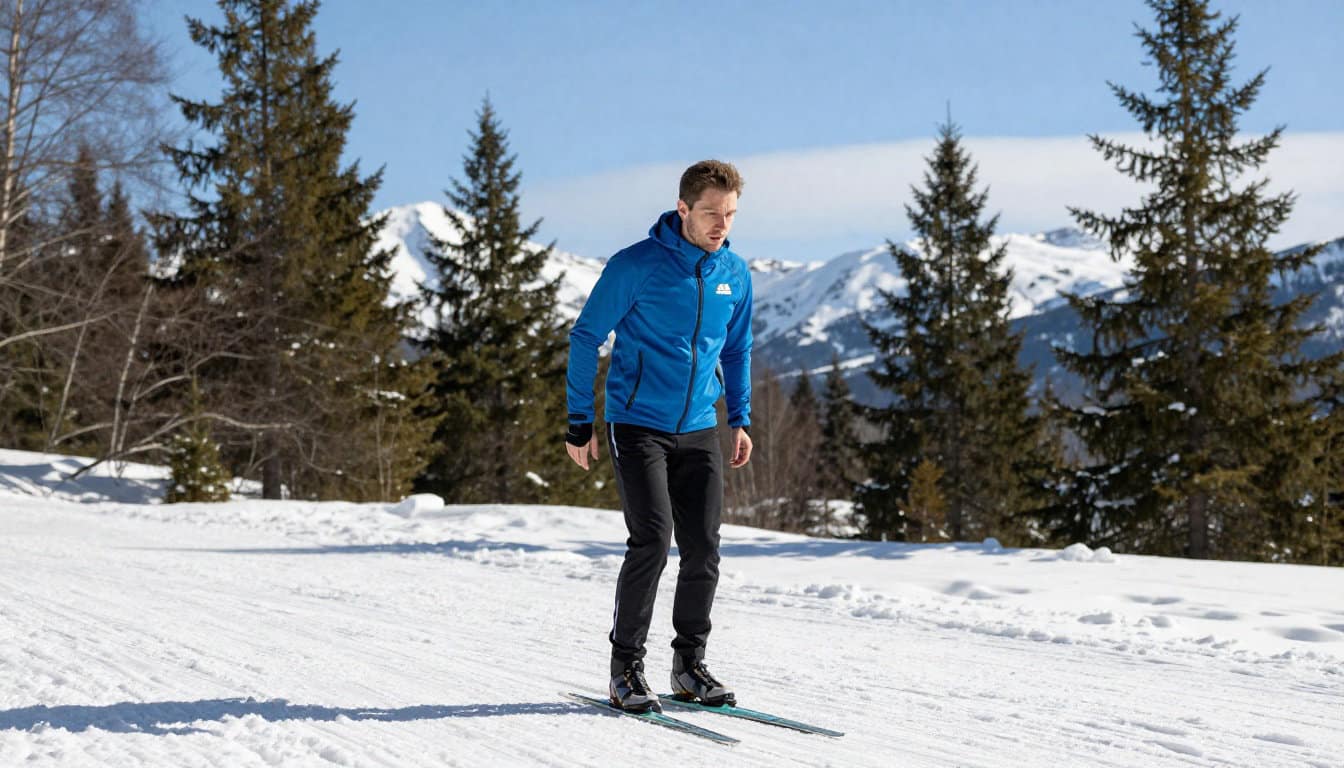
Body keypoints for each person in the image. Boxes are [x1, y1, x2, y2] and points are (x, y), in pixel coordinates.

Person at [564, 160, 754, 713]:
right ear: (684, 210)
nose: (722, 225)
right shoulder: (637, 266)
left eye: (731, 214)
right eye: (712, 214)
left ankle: (689, 664)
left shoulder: (735, 273)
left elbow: (737, 349)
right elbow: (586, 337)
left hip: (698, 426)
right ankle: (625, 668)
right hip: (636, 421)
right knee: (653, 538)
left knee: (703, 546)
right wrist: (581, 422)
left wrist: (738, 418)